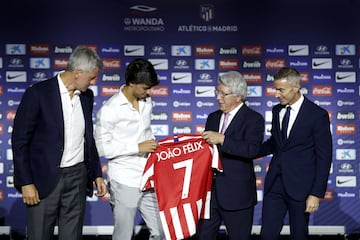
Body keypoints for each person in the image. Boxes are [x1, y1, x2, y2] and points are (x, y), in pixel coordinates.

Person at [11, 46, 107, 240]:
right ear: (78, 72)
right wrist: (26, 182)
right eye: (92, 77)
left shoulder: (87, 96)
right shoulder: (38, 93)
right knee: (39, 235)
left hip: (77, 177)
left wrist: (96, 173)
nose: (94, 82)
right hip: (44, 179)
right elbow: (20, 141)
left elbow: (88, 138)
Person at [94, 58, 165, 240]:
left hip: (148, 176)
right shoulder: (110, 109)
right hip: (124, 179)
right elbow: (101, 147)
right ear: (132, 83)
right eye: (145, 87)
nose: (149, 92)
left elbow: (147, 133)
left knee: (162, 232)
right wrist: (136, 147)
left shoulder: (146, 102)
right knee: (123, 235)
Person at [259, 67, 332, 240]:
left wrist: (315, 194)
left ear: (296, 87)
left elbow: (324, 156)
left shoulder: (317, 115)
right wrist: (242, 149)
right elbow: (275, 144)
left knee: (299, 235)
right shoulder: (277, 110)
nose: (276, 94)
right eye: (275, 89)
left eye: (280, 90)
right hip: (275, 184)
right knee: (267, 235)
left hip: (301, 188)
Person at [199, 71, 265, 240]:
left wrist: (222, 139)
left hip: (238, 196)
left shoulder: (253, 119)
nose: (218, 97)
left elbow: (252, 150)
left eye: (223, 93)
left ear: (238, 96)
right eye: (217, 92)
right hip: (210, 195)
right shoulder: (213, 117)